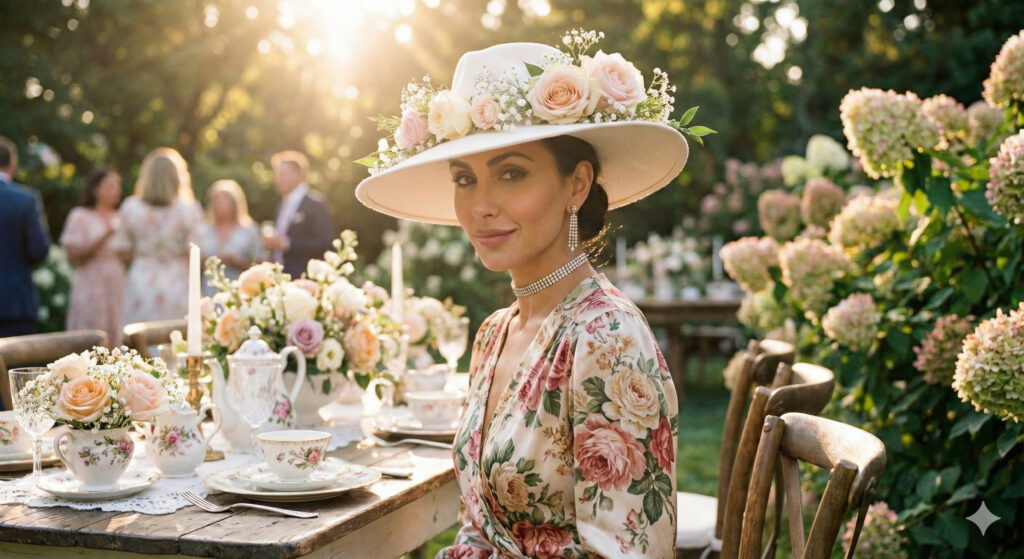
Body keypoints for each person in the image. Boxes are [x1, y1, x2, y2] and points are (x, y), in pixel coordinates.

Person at [355, 38, 689, 558]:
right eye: (465, 179)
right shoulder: (494, 333)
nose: (481, 205)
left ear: (576, 185)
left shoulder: (606, 337)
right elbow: (478, 529)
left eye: (512, 173)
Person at [112, 147, 202, 326]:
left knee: (138, 343)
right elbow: (195, 251)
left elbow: (122, 250)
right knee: (177, 340)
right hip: (177, 280)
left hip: (141, 279)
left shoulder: (131, 207)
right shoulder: (189, 208)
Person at [60, 168, 126, 345]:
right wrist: (105, 235)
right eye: (109, 186)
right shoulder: (80, 216)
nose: (115, 191)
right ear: (95, 189)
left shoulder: (122, 217)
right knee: (89, 335)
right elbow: (73, 256)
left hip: (116, 282)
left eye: (117, 186)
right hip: (90, 282)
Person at [0, 136, 51, 338]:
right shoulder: (25, 199)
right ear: (13, 164)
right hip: (15, 303)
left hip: (16, 306)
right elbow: (38, 251)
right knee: (17, 368)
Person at [261, 150, 334, 278]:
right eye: (276, 174)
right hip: (281, 278)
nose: (277, 180)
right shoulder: (281, 206)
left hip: (304, 278)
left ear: (298, 175)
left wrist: (287, 243)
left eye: (282, 174)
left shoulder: (316, 205)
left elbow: (324, 243)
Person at [198, 179, 263, 295]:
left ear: (235, 203)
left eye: (223, 201)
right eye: (215, 201)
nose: (219, 205)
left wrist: (236, 262)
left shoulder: (249, 230)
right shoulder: (204, 229)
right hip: (209, 291)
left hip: (239, 292)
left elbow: (260, 264)